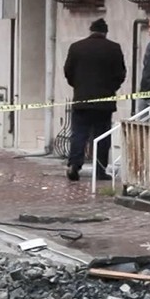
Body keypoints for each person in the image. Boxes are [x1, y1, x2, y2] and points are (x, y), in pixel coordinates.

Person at [64, 18, 127, 181]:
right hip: (104, 102)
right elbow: (120, 74)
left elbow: (68, 71)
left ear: (90, 30)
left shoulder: (76, 48)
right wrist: (110, 88)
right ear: (105, 33)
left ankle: (74, 165)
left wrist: (78, 86)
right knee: (102, 136)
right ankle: (99, 169)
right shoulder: (114, 48)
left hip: (81, 99)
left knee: (79, 134)